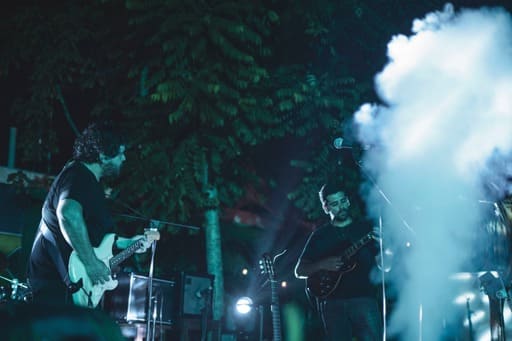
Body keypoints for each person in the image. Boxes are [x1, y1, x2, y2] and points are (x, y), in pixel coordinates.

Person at [27, 122, 152, 306]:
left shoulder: (88, 182)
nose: (124, 159)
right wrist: (92, 264)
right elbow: (68, 214)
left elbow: (97, 239)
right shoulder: (79, 175)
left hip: (66, 287)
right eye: (119, 153)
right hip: (56, 285)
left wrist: (129, 243)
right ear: (102, 155)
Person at [295, 180, 383, 341]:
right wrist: (323, 264)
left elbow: (384, 266)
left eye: (343, 201)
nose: (341, 207)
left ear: (348, 201)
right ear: (326, 207)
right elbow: (299, 270)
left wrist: (386, 248)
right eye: (335, 203)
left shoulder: (365, 228)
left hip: (363, 299)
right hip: (331, 304)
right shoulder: (320, 236)